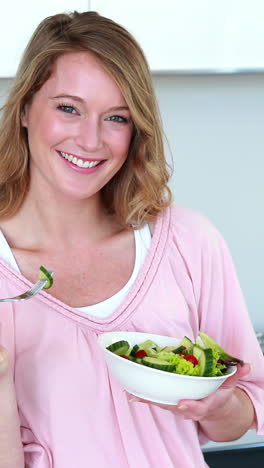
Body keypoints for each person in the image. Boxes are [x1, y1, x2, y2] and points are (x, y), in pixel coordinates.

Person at [0, 10, 263, 468]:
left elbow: (239, 414)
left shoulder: (188, 240)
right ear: (24, 108)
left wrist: (221, 406)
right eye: (68, 108)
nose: (90, 140)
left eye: (116, 118)